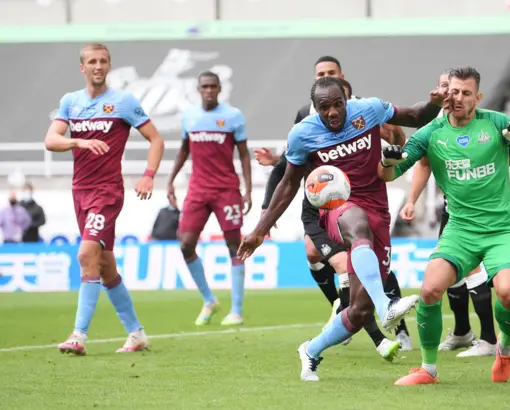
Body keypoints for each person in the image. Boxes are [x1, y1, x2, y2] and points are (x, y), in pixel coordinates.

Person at [238, 76, 445, 381]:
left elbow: (416, 116)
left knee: (360, 312)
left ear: (346, 101)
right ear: (315, 108)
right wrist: (259, 230)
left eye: (337, 104)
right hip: (337, 208)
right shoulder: (303, 133)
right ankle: (386, 303)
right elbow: (288, 183)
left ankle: (310, 350)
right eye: (325, 107)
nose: (333, 112)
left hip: (379, 212)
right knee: (356, 224)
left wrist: (435, 103)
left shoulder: (369, 110)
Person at [378, 66, 510, 385]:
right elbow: (391, 174)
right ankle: (427, 369)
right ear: (445, 93)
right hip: (460, 229)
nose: (458, 98)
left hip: (502, 229)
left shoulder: (496, 123)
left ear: (478, 97)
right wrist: (388, 163)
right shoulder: (431, 132)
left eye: (465, 93)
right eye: (453, 91)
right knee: (430, 289)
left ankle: (505, 348)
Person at [255, 57, 413, 358]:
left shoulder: (364, 110)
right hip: (324, 206)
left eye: (330, 74)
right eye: (319, 75)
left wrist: (396, 147)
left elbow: (396, 139)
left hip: (369, 201)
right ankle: (374, 315)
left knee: (364, 277)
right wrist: (266, 209)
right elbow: (296, 162)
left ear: (343, 80)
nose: (330, 110)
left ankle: (336, 329)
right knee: (333, 254)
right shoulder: (306, 117)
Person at [45, 43, 165, 355]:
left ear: (109, 66)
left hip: (107, 192)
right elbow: (51, 140)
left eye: (103, 61)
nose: (98, 66)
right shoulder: (70, 102)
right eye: (92, 61)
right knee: (106, 266)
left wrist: (149, 174)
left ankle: (78, 336)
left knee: (86, 255)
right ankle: (136, 334)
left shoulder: (123, 102)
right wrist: (79, 141)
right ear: (82, 67)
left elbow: (156, 139)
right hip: (80, 192)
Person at [399, 71, 510, 357]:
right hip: (456, 215)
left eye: (458, 89)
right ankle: (461, 332)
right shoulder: (433, 129)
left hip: (496, 221)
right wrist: (411, 200)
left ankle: (490, 338)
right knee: (444, 283)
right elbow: (420, 164)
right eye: (446, 88)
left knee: (485, 281)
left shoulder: (491, 127)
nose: (451, 94)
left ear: (473, 95)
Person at [167, 71, 252, 327]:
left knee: (234, 245)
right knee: (185, 244)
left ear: (219, 88)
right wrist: (170, 180)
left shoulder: (233, 116)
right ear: (198, 89)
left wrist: (248, 190)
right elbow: (184, 150)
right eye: (205, 86)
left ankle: (236, 310)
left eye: (213, 86)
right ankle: (209, 299)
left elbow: (244, 155)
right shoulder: (189, 117)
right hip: (197, 190)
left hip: (227, 189)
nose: (209, 91)